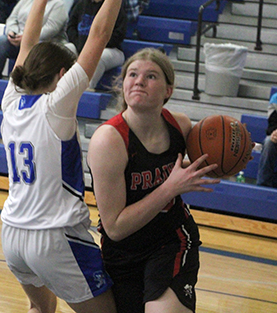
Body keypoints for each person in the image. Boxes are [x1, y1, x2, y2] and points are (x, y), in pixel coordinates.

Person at [0, 0, 130, 312]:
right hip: (54, 236)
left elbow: (27, 43)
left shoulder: (11, 99)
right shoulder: (57, 104)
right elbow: (99, 36)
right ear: (62, 75)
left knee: (42, 310)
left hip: (12, 233)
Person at [87, 48, 221, 313]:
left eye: (151, 76)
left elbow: (202, 166)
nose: (139, 81)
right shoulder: (109, 141)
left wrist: (230, 160)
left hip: (171, 239)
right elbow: (114, 227)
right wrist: (169, 188)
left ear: (168, 90)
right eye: (133, 74)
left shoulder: (180, 126)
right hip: (123, 250)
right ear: (123, 84)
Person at [65, 0, 127, 89]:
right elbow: (71, 27)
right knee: (65, 49)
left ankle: (86, 89)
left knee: (98, 56)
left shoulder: (115, 5)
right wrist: (80, 45)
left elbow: (119, 34)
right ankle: (61, 87)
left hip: (111, 50)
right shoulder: (82, 4)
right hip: (81, 47)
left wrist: (94, 47)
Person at [0, 0, 68, 79]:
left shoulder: (59, 4)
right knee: (1, 42)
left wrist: (27, 37)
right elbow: (12, 18)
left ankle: (28, 83)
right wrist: (12, 32)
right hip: (19, 38)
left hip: (42, 42)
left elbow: (51, 29)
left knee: (39, 49)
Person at [257, 92, 277, 188]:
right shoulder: (275, 98)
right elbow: (272, 124)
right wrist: (275, 133)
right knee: (269, 141)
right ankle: (263, 185)